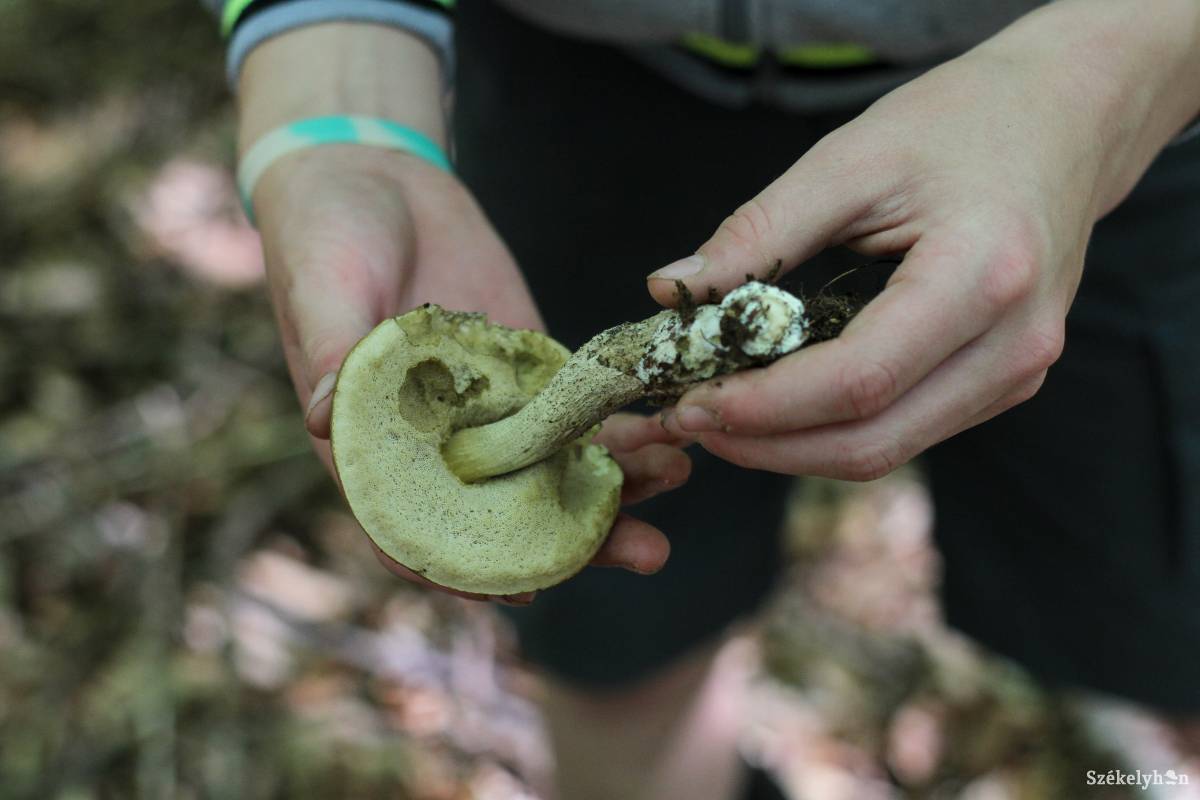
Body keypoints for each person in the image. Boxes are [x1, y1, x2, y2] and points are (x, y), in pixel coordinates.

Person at [215, 0, 1200, 797]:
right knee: (623, 658)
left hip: (1084, 78)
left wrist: (1123, 68)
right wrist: (337, 100)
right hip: (580, 88)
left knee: (1168, 628)